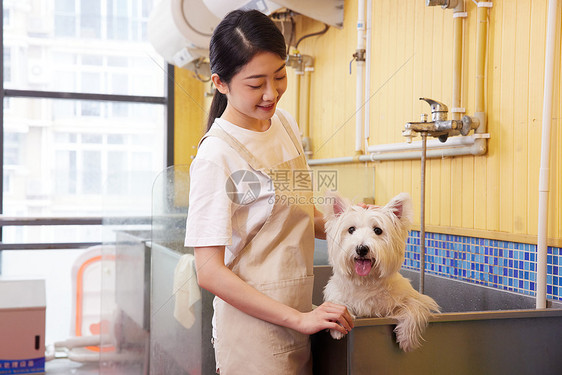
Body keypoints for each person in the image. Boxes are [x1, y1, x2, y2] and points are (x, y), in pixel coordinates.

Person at [184, 9, 353, 375]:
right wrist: (297, 319)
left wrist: (352, 224)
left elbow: (298, 217)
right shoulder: (216, 156)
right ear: (221, 82)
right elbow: (209, 271)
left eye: (279, 76)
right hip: (253, 335)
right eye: (255, 83)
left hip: (297, 318)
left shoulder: (284, 125)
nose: (271, 93)